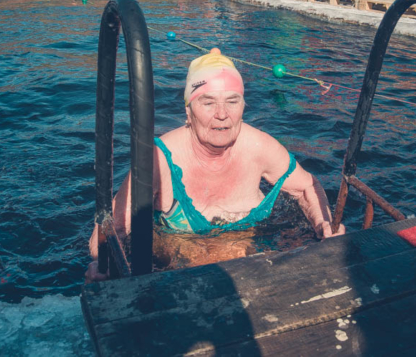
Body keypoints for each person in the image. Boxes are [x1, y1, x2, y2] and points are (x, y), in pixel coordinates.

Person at [86, 51, 345, 282]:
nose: (222, 114)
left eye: (232, 101)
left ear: (244, 107)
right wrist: (102, 263)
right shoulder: (159, 159)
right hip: (178, 279)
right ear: (188, 111)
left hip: (257, 274)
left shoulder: (259, 147)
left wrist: (323, 224)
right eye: (208, 103)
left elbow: (306, 187)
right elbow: (113, 224)